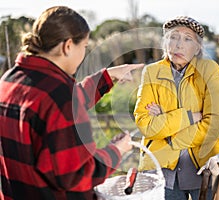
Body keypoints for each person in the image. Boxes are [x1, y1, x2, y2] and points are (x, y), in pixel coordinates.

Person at [0, 6, 144, 200]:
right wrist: (116, 150)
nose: (85, 53)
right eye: (84, 47)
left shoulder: (9, 81)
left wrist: (109, 75)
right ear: (68, 46)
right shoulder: (61, 95)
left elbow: (58, 104)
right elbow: (77, 176)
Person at [134, 16, 219, 200]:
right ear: (165, 42)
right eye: (173, 37)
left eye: (187, 39)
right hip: (163, 167)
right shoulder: (152, 72)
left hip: (205, 163)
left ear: (198, 47)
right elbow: (145, 124)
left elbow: (214, 121)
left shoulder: (210, 70)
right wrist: (190, 117)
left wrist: (170, 133)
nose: (178, 45)